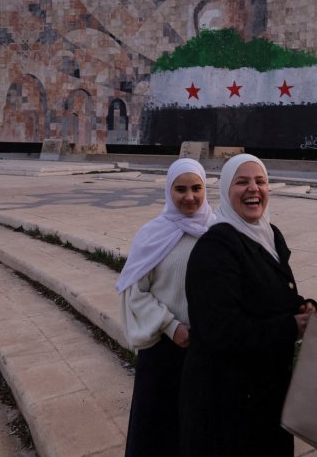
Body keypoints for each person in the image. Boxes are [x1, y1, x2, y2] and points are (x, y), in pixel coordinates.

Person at [179, 154, 317, 456]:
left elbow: (277, 291)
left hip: (267, 393)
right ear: (227, 191)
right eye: (242, 182)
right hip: (227, 402)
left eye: (261, 181)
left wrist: (304, 306)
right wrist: (290, 326)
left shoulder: (270, 235)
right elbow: (220, 330)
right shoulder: (215, 247)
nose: (253, 189)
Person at [115, 158, 215, 457]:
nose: (190, 197)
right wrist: (172, 327)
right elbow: (135, 292)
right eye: (180, 189)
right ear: (168, 191)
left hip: (206, 350)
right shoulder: (152, 234)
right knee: (157, 431)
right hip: (163, 351)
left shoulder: (218, 231)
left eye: (197, 188)